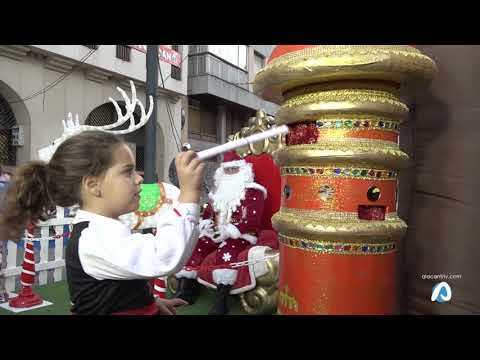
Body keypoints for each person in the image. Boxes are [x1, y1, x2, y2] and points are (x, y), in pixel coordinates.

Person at [0, 130, 205, 315]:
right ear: (93, 185)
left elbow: (114, 289)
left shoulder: (105, 230)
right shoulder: (95, 238)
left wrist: (148, 303)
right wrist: (189, 194)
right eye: (127, 171)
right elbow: (163, 256)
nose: (139, 179)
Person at [174, 151, 267, 314]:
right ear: (221, 172)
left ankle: (221, 299)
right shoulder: (217, 193)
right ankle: (187, 290)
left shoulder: (253, 192)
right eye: (227, 170)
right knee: (195, 245)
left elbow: (251, 220)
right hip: (217, 231)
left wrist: (229, 230)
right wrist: (206, 225)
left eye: (234, 170)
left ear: (243, 171)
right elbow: (209, 214)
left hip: (241, 234)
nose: (230, 174)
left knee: (227, 251)